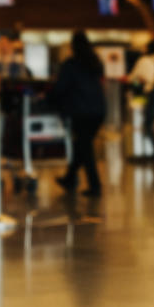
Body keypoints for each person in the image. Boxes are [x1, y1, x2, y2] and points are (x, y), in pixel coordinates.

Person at [49, 31, 107, 197]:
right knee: (82, 146)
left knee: (85, 148)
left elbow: (60, 88)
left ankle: (95, 186)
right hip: (98, 110)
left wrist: (48, 99)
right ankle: (69, 177)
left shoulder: (71, 65)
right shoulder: (95, 63)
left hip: (81, 111)